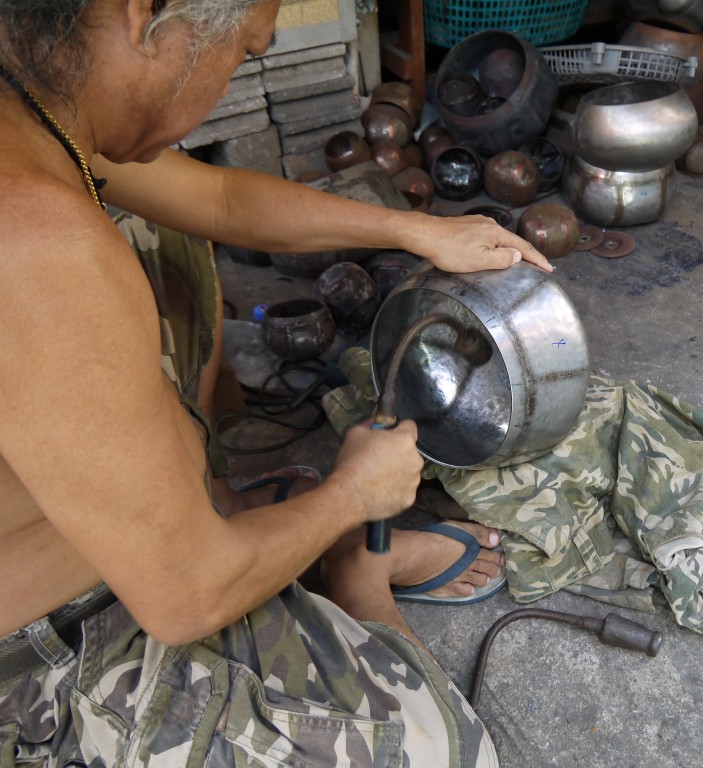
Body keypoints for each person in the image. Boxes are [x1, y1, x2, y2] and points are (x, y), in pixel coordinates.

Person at [0, 1, 552, 764]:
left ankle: (232, 512)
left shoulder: (31, 116)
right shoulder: (35, 242)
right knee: (446, 751)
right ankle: (359, 577)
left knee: (169, 243)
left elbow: (221, 200)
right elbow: (186, 597)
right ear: (145, 16)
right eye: (245, 52)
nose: (235, 76)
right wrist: (355, 496)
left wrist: (414, 229)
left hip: (109, 546)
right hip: (40, 652)